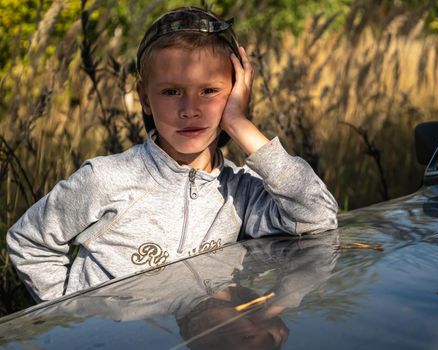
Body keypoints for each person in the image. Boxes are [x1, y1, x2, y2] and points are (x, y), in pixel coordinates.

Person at [6, 7, 338, 303]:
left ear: (237, 92)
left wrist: (239, 123)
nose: (190, 109)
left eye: (209, 91)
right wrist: (72, 319)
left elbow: (317, 216)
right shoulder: (107, 178)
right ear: (145, 98)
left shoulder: (241, 191)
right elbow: (29, 241)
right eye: (171, 91)